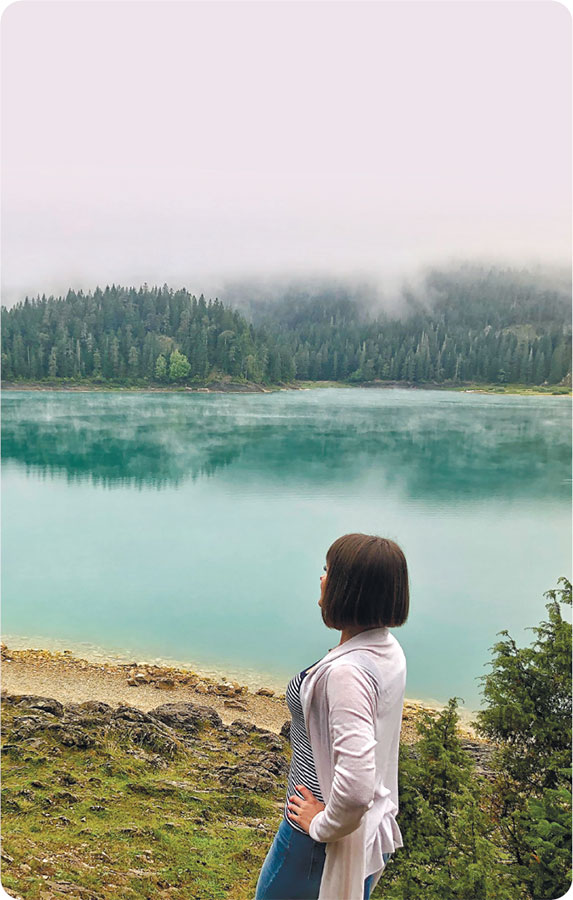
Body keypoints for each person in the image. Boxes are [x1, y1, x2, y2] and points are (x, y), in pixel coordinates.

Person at [254, 533, 409, 900]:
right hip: (363, 833)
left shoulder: (347, 674)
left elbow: (355, 788)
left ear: (349, 589)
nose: (322, 578)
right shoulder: (386, 649)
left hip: (313, 843)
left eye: (328, 571)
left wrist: (321, 825)